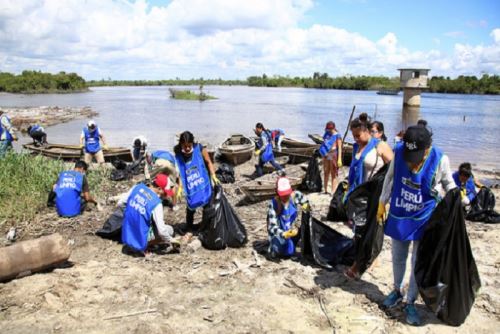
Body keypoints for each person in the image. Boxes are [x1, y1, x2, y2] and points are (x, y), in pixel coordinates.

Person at [377, 125, 456, 326]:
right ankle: (396, 290)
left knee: (417, 262)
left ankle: (410, 301)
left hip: (424, 217)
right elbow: (390, 177)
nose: (412, 159)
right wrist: (381, 202)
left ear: (427, 148)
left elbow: (448, 183)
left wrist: (458, 197)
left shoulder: (441, 159)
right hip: (400, 211)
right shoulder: (400, 152)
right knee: (398, 256)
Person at [120, 173, 179, 255]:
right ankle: (143, 246)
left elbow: (121, 203)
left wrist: (130, 215)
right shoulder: (156, 203)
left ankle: (133, 242)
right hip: (141, 237)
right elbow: (162, 231)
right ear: (159, 189)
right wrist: (171, 240)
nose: (165, 196)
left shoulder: (137, 187)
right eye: (165, 192)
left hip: (127, 230)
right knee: (169, 230)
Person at [175, 131, 218, 232]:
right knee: (190, 208)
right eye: (185, 146)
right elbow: (181, 173)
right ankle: (189, 227)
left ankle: (206, 226)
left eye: (189, 146)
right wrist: (180, 187)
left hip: (203, 183)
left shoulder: (199, 148)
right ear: (181, 144)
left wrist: (213, 175)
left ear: (192, 143)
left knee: (207, 205)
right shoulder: (179, 155)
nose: (187, 148)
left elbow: (208, 162)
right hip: (191, 185)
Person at [345, 113, 393, 201]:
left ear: (367, 131)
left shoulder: (380, 146)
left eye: (358, 136)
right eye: (353, 136)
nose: (355, 139)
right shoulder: (356, 147)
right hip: (356, 194)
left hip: (374, 194)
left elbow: (393, 171)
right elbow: (353, 172)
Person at [267, 177, 309, 258]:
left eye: (287, 194)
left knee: (291, 249)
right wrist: (284, 234)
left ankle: (292, 242)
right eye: (283, 195)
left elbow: (306, 203)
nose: (285, 196)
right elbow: (272, 227)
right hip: (280, 234)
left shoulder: (296, 196)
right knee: (282, 251)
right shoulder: (273, 204)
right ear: (278, 193)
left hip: (292, 231)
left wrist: (306, 209)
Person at [318, 121, 342, 194]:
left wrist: (339, 159)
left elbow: (340, 148)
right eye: (328, 129)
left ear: (333, 128)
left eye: (330, 129)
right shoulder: (327, 134)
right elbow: (324, 143)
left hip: (333, 154)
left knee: (333, 173)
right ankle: (325, 189)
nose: (329, 131)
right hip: (326, 154)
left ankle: (333, 190)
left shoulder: (337, 135)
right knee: (326, 171)